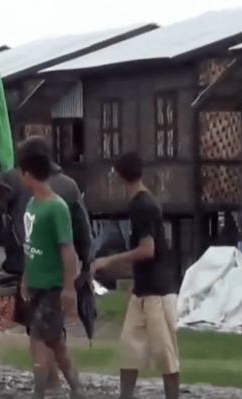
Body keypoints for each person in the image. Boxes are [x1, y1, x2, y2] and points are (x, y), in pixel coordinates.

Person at [0, 134, 92, 393]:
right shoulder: (69, 187)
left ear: (27, 167)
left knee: (42, 334)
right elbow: (82, 233)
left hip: (44, 273)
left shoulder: (22, 184)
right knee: (46, 332)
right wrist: (85, 269)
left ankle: (58, 385)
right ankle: (56, 384)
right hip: (45, 272)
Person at [91, 152, 179, 399]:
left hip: (158, 293)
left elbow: (147, 249)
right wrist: (135, 281)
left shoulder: (142, 204)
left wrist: (109, 260)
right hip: (143, 290)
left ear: (119, 176)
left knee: (166, 354)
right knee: (129, 349)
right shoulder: (142, 202)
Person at [17, 144, 85, 399]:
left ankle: (41, 391)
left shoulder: (57, 208)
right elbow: (31, 244)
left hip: (51, 286)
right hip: (35, 282)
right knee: (54, 341)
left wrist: (69, 287)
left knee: (41, 337)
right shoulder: (31, 205)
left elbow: (67, 249)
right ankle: (75, 387)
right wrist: (25, 276)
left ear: (28, 174)